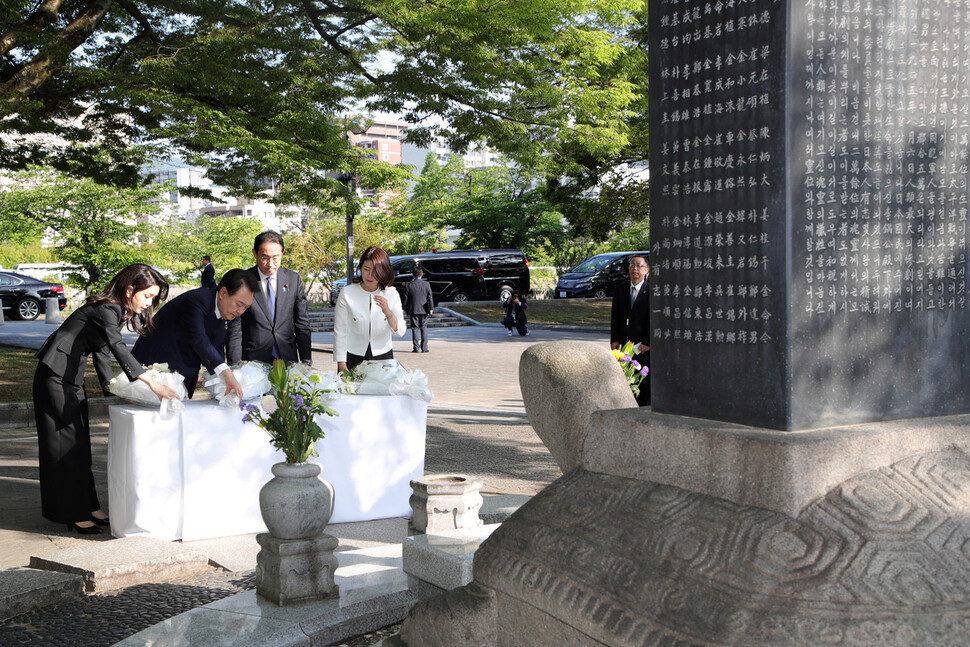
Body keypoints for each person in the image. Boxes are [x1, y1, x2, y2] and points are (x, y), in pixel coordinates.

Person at [33, 263, 181, 535]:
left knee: (80, 444)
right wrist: (149, 382)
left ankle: (88, 505)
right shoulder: (108, 308)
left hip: (68, 377)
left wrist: (122, 392)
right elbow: (117, 347)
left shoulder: (114, 310)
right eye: (147, 296)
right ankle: (72, 512)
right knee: (66, 444)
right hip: (55, 376)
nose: (149, 305)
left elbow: (102, 356)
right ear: (129, 290)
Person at [133, 269, 257, 398]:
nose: (240, 311)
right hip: (154, 369)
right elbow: (199, 339)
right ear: (223, 293)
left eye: (246, 307)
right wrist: (225, 372)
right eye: (239, 304)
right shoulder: (197, 300)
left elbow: (216, 347)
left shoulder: (230, 312)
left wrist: (226, 375)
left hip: (182, 375)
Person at [226, 231, 312, 366]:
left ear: (283, 252)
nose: (270, 264)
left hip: (287, 357)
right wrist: (235, 365)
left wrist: (306, 358)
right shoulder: (244, 281)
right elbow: (236, 328)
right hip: (253, 360)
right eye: (264, 258)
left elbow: (302, 322)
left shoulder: (293, 279)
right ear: (255, 253)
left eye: (275, 258)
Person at [334, 246, 406, 372]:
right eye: (366, 269)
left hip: (383, 355)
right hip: (353, 355)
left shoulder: (392, 293)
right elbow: (340, 331)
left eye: (375, 271)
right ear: (360, 267)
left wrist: (388, 312)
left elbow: (399, 331)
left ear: (384, 272)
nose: (370, 275)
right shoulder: (347, 293)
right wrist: (342, 365)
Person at [610, 255, 650, 405]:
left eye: (639, 266)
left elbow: (654, 319)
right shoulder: (620, 290)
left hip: (643, 346)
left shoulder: (652, 290)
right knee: (625, 379)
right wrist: (614, 339)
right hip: (624, 344)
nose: (635, 269)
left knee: (643, 381)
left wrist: (648, 342)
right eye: (632, 265)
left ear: (647, 269)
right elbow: (615, 317)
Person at [404, 265, 434, 353]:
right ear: (422, 274)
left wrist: (405, 309)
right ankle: (424, 348)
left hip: (413, 309)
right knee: (424, 328)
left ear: (412, 274)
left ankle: (416, 348)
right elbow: (430, 297)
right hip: (424, 310)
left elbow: (405, 298)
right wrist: (431, 308)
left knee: (414, 328)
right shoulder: (426, 284)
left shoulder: (409, 285)